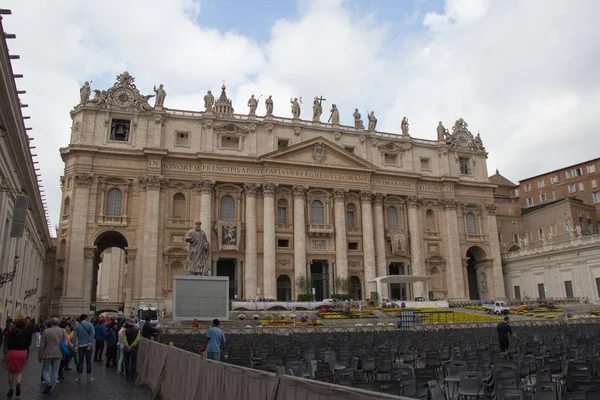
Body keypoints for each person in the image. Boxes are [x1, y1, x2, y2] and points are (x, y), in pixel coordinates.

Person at [39, 317, 70, 395]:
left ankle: (48, 383)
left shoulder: (46, 331)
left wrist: (40, 355)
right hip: (58, 353)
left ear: (51, 323)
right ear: (58, 323)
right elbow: (66, 342)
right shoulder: (62, 331)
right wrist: (69, 350)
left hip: (47, 353)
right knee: (55, 371)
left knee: (45, 370)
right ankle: (52, 388)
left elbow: (42, 345)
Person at [5, 318, 33, 398]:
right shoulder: (27, 333)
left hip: (12, 352)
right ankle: (18, 383)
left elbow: (8, 343)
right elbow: (29, 343)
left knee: (11, 372)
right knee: (19, 371)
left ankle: (11, 389)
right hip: (22, 352)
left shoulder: (12, 332)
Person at [74, 313, 95, 382]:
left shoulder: (77, 326)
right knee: (88, 361)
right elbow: (92, 334)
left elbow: (75, 337)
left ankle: (80, 377)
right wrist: (90, 342)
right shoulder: (90, 324)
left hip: (80, 345)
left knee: (80, 362)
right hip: (88, 345)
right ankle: (89, 377)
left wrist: (75, 346)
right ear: (85, 318)